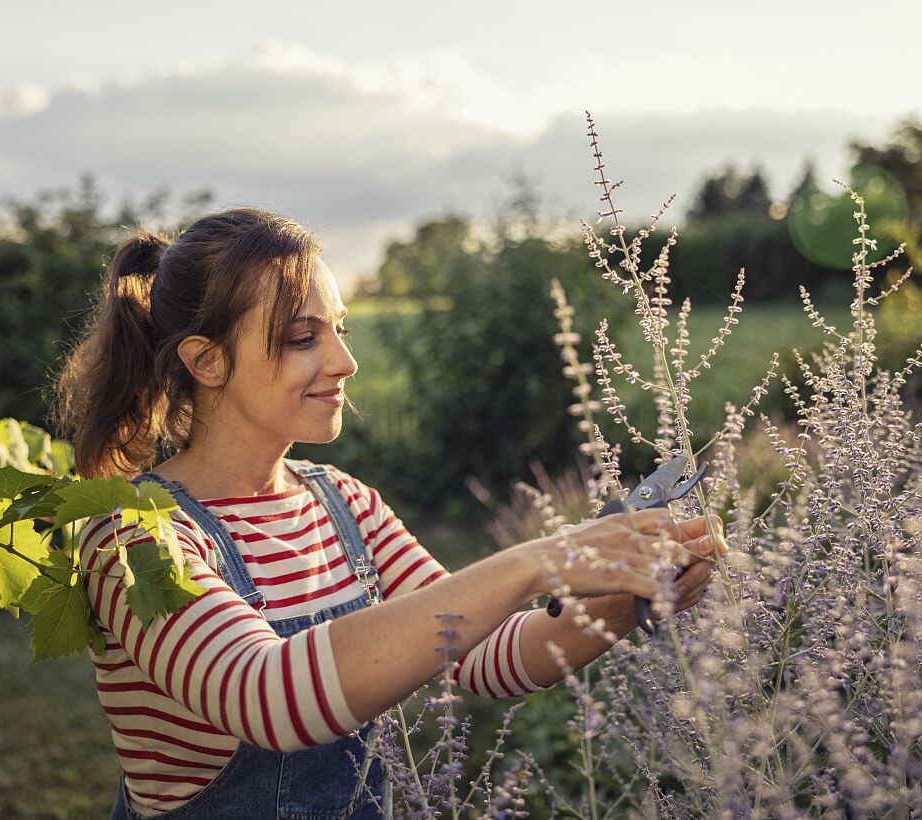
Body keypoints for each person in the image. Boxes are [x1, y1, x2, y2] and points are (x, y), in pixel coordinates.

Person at [52, 208, 724, 819]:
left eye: (339, 330)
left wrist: (625, 600)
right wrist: (539, 560)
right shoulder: (135, 537)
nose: (344, 361)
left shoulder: (343, 503)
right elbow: (270, 698)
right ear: (206, 360)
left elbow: (485, 659)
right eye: (300, 336)